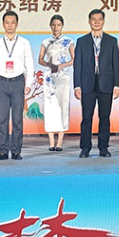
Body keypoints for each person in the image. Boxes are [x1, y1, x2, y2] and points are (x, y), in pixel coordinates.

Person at [73, 9, 119, 158]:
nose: (97, 22)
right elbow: (77, 65)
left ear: (103, 21)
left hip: (106, 83)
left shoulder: (112, 41)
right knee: (86, 118)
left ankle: (103, 148)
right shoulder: (82, 41)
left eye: (99, 19)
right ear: (89, 21)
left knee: (104, 118)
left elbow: (116, 64)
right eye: (94, 19)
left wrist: (117, 85)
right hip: (87, 83)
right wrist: (77, 85)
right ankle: (85, 148)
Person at [0, 11, 34, 161]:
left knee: (17, 119)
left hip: (18, 82)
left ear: (17, 24)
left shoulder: (24, 43)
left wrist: (28, 83)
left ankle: (16, 151)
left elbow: (29, 64)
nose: (9, 25)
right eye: (7, 22)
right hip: (1, 82)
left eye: (12, 22)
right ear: (3, 24)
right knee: (2, 118)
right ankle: (2, 151)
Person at [39, 14, 74, 152]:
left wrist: (60, 66)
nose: (56, 27)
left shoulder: (69, 41)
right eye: (53, 24)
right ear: (50, 26)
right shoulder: (46, 42)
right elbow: (40, 59)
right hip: (50, 77)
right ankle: (51, 142)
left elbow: (74, 59)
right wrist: (50, 65)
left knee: (62, 106)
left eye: (58, 25)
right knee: (50, 107)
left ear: (62, 26)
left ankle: (59, 142)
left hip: (63, 76)